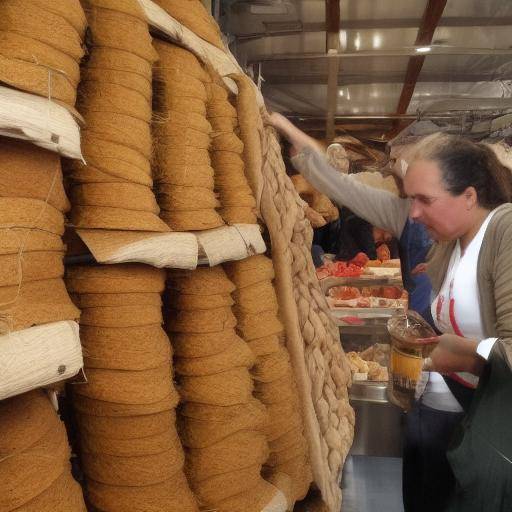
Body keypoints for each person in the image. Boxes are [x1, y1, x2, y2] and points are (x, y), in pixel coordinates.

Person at [270, 113, 512, 511]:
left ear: (469, 196)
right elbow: (346, 190)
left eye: (424, 200)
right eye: (409, 198)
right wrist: (294, 136)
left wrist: (469, 354)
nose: (412, 213)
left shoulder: (502, 235)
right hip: (434, 403)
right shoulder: (450, 243)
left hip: (482, 424)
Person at [269, 112, 432, 315]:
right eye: (410, 195)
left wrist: (440, 264)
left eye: (426, 199)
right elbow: (343, 186)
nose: (415, 210)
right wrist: (290, 132)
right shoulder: (401, 210)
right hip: (419, 312)